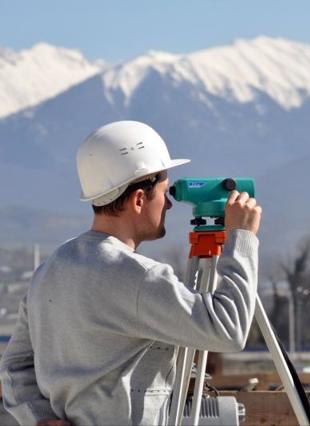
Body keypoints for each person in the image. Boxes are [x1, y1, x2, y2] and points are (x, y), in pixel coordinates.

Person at [0, 121, 262, 425]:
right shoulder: (138, 277)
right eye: (165, 192)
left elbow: (15, 365)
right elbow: (228, 330)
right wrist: (241, 238)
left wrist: (39, 419)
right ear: (139, 199)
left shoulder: (52, 268)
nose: (170, 205)